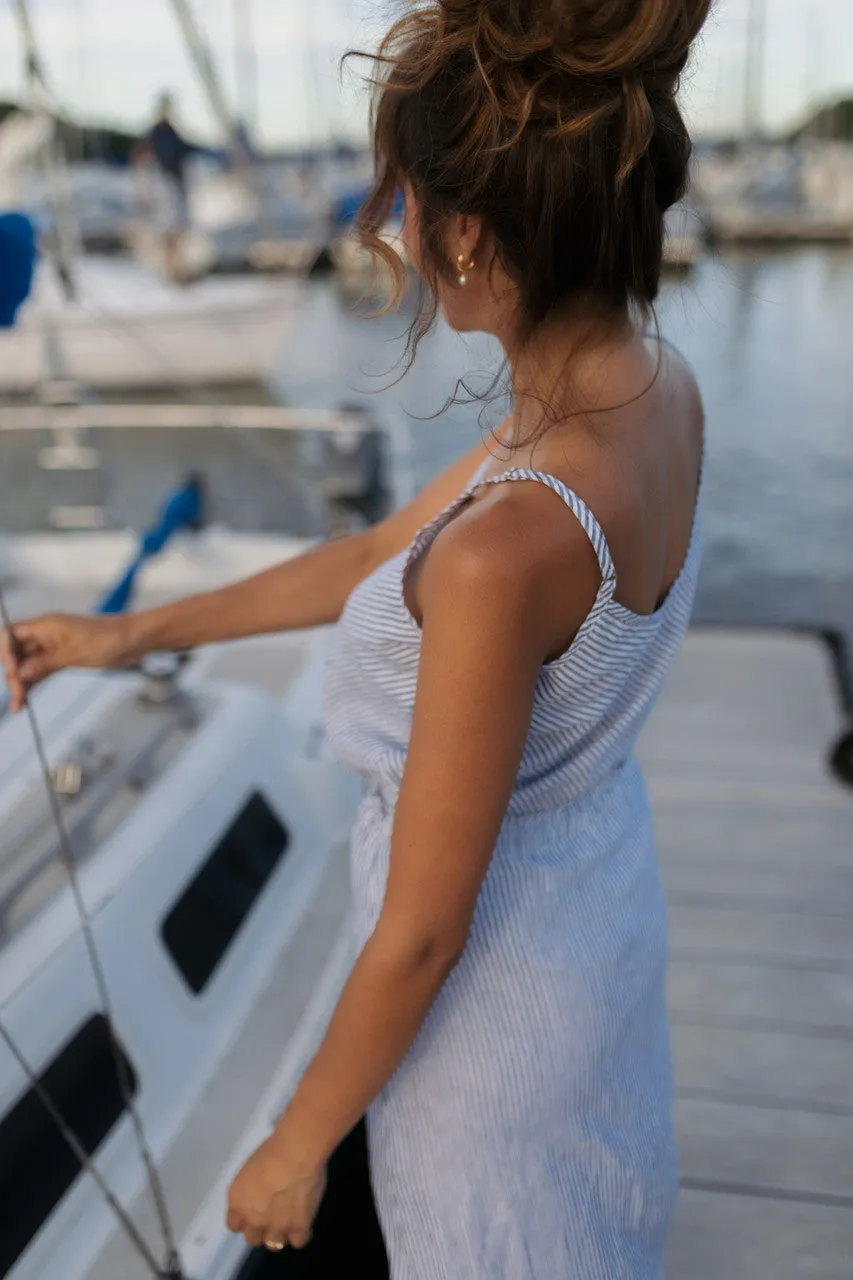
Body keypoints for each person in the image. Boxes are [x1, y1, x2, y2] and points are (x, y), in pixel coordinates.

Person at [1, 1, 711, 1274]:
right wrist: (116, 635)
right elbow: (368, 557)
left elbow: (424, 933)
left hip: (489, 1023)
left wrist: (297, 1143)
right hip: (595, 915)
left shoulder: (511, 544)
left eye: (401, 201)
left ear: (470, 234)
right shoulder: (649, 391)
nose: (391, 228)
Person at [146, 93, 195, 282]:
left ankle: (175, 269)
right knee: (171, 229)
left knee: (177, 229)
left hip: (174, 183)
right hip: (167, 184)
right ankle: (172, 271)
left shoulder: (169, 132)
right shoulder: (159, 133)